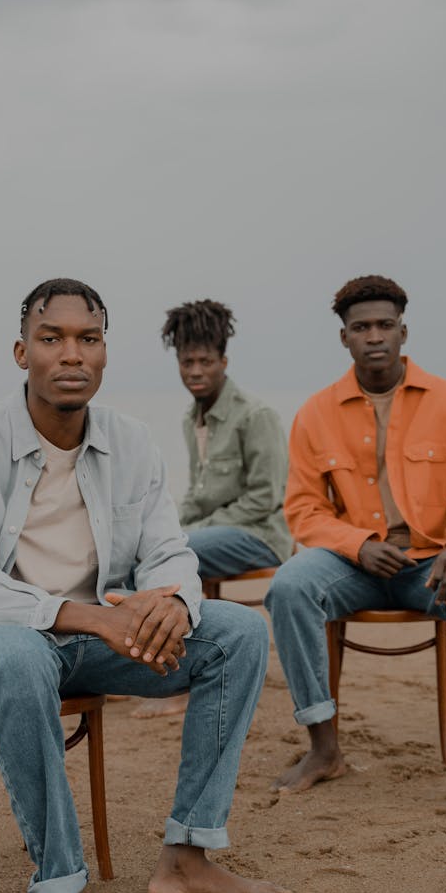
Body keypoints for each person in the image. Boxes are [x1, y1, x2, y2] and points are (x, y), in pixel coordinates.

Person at [0, 278, 294, 893]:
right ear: (22, 350)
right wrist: (89, 616)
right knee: (23, 659)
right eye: (52, 338)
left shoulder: (131, 442)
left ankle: (187, 854)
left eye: (88, 338)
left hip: (90, 645)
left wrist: (175, 602)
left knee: (236, 633)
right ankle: (64, 891)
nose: (70, 354)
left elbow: (169, 549)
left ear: (106, 353)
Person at [265, 275, 446, 825]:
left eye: (384, 325)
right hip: (354, 566)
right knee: (288, 585)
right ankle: (324, 747)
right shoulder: (316, 412)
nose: (373, 336)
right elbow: (304, 511)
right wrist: (357, 545)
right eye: (361, 328)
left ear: (404, 331)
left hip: (430, 563)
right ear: (344, 338)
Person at [132, 298, 291, 720]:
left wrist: (186, 536)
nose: (195, 371)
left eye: (205, 361)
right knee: (141, 552)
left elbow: (265, 498)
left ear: (224, 361)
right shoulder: (191, 419)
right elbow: (198, 497)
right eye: (187, 363)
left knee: (183, 557)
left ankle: (180, 682)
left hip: (262, 538)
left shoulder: (256, 416)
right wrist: (166, 532)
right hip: (214, 533)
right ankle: (137, 667)